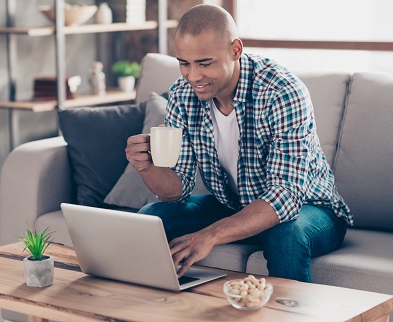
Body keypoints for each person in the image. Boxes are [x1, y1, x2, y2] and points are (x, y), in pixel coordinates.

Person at [125, 4, 352, 282]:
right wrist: (146, 167)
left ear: (235, 50)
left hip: (312, 209)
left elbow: (286, 197)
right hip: (234, 205)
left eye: (205, 63)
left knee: (286, 234)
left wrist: (209, 235)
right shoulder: (183, 95)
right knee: (152, 218)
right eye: (184, 62)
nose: (193, 76)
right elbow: (178, 188)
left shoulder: (282, 92)